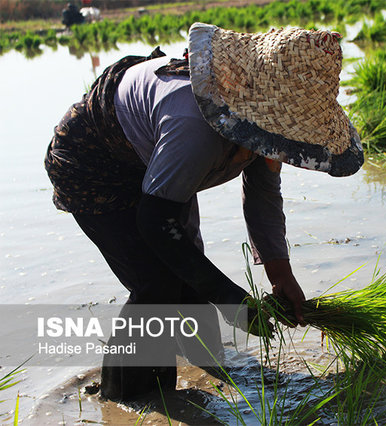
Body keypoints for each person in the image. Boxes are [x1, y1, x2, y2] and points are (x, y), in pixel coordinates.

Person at [44, 23, 364, 401]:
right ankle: (126, 398)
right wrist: (234, 302)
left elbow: (262, 197)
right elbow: (155, 221)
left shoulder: (262, 126)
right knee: (156, 285)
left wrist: (281, 277)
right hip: (93, 163)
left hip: (154, 162)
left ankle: (207, 368)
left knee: (188, 267)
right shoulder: (195, 127)